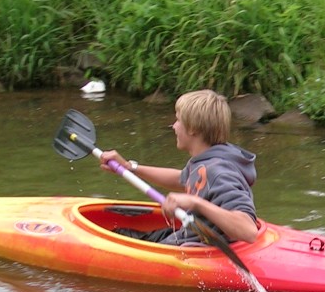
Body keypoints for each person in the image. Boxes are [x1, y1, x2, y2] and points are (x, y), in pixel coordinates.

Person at [98, 89, 259, 245]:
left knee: (115, 241)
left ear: (193, 128)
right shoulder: (206, 160)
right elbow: (182, 179)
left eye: (178, 120)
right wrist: (130, 167)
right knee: (121, 233)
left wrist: (196, 203)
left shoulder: (219, 172)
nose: (174, 126)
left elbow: (249, 231)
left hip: (195, 247)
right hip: (188, 236)